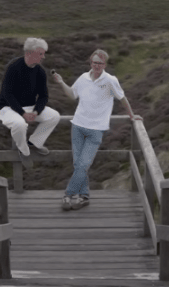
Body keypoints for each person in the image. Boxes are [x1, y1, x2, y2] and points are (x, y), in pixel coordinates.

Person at [52, 49, 139, 210]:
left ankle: (68, 194)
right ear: (90, 63)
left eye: (100, 63)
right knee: (78, 164)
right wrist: (61, 82)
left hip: (96, 129)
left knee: (83, 164)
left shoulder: (110, 80)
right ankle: (83, 197)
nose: (97, 65)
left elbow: (122, 98)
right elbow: (72, 95)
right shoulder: (83, 78)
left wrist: (132, 116)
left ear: (105, 64)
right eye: (94, 62)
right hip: (78, 126)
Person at [0, 37, 61, 169]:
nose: (43, 57)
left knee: (54, 116)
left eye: (43, 54)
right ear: (29, 53)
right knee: (19, 124)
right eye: (40, 54)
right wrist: (22, 113)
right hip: (7, 108)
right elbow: (8, 94)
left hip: (30, 107)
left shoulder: (40, 71)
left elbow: (43, 96)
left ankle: (34, 143)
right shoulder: (13, 67)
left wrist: (36, 111)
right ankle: (24, 152)